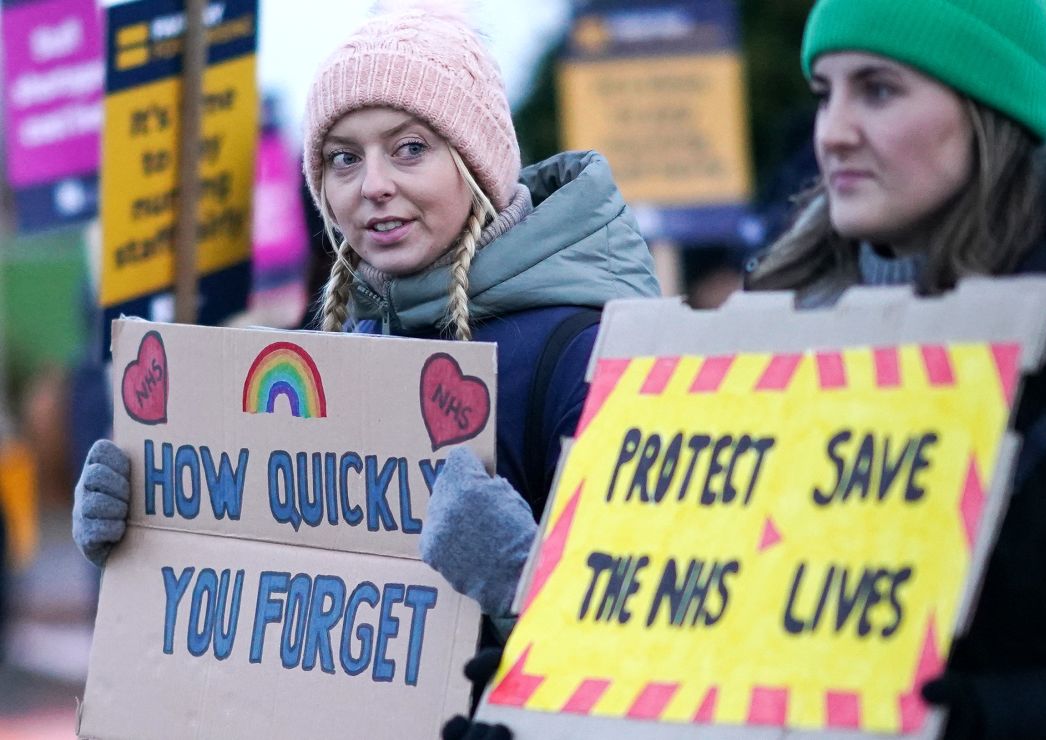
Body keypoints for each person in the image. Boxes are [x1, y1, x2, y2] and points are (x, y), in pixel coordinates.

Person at [72, 0, 658, 649]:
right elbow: (280, 613)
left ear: (476, 158)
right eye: (344, 159)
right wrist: (149, 540)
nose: (371, 184)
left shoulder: (589, 354)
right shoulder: (348, 356)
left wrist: (524, 582)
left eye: (409, 149)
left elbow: (667, 644)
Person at [742, 0, 1046, 737]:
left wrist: (992, 716)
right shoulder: (763, 331)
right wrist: (550, 709)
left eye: (878, 89)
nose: (833, 132)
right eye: (825, 92)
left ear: (986, 108)